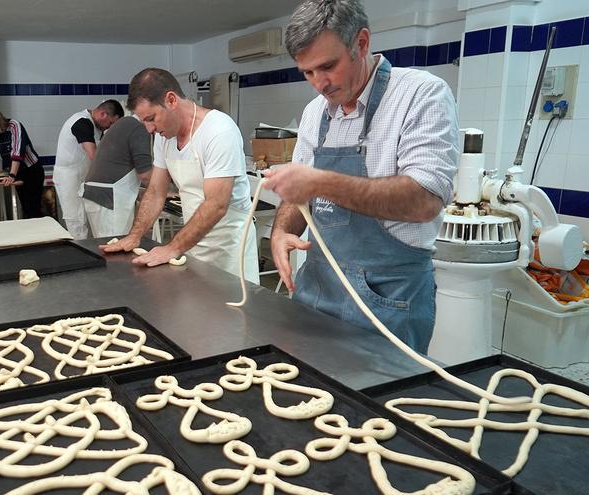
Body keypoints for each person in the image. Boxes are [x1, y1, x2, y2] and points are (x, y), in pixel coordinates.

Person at [263, 0, 458, 353]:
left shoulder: (420, 94)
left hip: (390, 296)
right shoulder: (314, 113)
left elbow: (424, 200)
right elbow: (298, 194)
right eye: (307, 72)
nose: (319, 84)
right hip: (318, 286)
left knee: (379, 403)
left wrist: (321, 182)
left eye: (328, 66)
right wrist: (281, 231)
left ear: (362, 43)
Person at [101, 68, 259, 283]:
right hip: (192, 242)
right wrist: (135, 236)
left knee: (230, 315)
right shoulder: (164, 138)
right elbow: (156, 191)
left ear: (172, 100)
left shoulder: (218, 131)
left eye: (151, 118)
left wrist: (172, 248)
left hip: (229, 250)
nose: (148, 129)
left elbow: (216, 204)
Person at [53, 99, 123, 239]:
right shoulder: (82, 122)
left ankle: (92, 250)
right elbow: (94, 155)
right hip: (69, 178)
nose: (109, 127)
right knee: (76, 219)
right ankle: (82, 254)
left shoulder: (97, 127)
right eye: (110, 123)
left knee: (88, 217)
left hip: (83, 176)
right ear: (103, 114)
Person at [80, 113, 152, 237]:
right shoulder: (138, 129)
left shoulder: (123, 123)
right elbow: (145, 174)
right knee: (114, 246)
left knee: (105, 244)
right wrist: (165, 191)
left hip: (97, 194)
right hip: (109, 199)